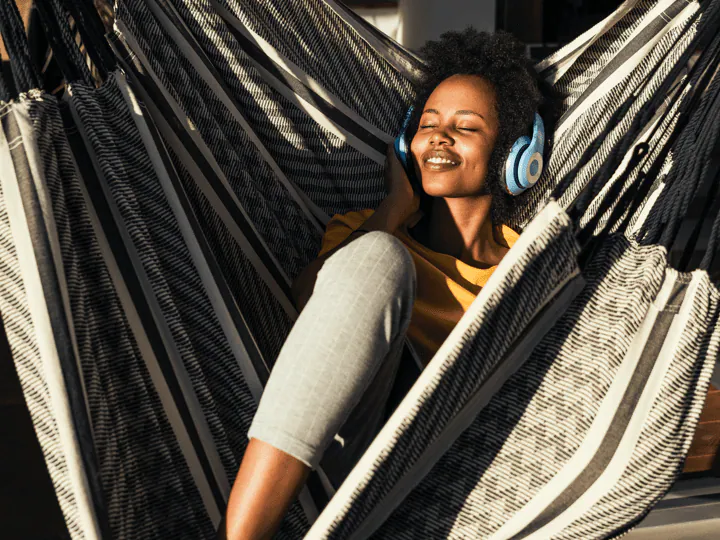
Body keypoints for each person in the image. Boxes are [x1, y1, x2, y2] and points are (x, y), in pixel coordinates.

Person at [219, 28, 559, 540]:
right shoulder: (364, 230)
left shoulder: (532, 265)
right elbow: (304, 313)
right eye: (427, 124)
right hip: (339, 462)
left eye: (465, 128)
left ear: (517, 156)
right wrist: (392, 212)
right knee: (379, 258)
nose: (439, 138)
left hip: (457, 481)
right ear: (405, 143)